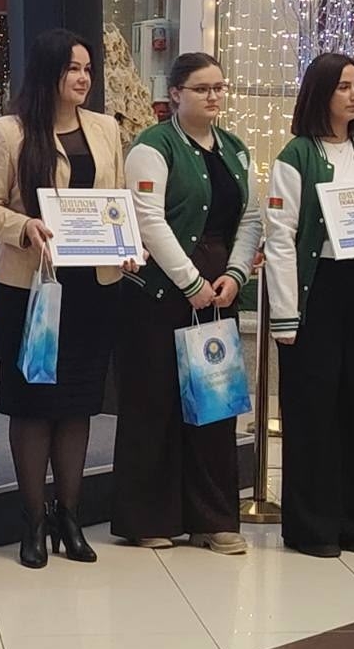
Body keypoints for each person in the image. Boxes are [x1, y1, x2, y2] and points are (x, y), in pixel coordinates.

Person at [0, 28, 132, 569]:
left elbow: (116, 200)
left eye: (88, 69)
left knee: (77, 403)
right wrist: (24, 227)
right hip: (29, 287)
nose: (83, 78)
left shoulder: (106, 128)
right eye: (73, 68)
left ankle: (70, 516)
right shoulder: (9, 131)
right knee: (32, 404)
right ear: (48, 72)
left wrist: (126, 244)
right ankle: (33, 520)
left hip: (93, 286)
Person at [111, 53, 262, 554]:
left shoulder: (235, 149)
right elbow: (149, 221)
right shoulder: (152, 146)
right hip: (161, 293)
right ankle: (148, 517)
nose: (213, 96)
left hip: (220, 292)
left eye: (219, 87)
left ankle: (213, 519)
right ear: (175, 94)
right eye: (201, 88)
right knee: (155, 403)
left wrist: (235, 275)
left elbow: (250, 220)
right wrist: (191, 282)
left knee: (214, 407)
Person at [262, 53, 354, 558]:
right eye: (343, 86)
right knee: (312, 405)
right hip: (315, 290)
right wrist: (284, 315)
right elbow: (281, 238)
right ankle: (312, 526)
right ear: (320, 93)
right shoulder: (296, 156)